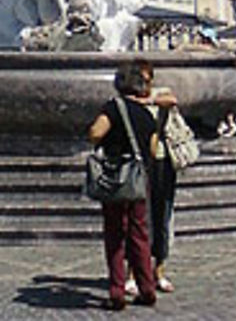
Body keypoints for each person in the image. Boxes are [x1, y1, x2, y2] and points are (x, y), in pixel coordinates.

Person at [88, 61, 159, 310]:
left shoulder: (113, 108)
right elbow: (153, 149)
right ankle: (147, 287)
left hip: (116, 177)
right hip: (139, 179)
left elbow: (96, 133)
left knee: (116, 233)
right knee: (140, 233)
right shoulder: (146, 115)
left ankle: (117, 290)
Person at [136, 59, 178, 295]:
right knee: (139, 218)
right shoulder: (128, 99)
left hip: (162, 161)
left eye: (147, 78)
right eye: (139, 79)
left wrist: (148, 100)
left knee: (162, 216)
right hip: (139, 163)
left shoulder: (160, 94)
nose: (144, 84)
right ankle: (134, 272)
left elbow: (172, 100)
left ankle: (159, 269)